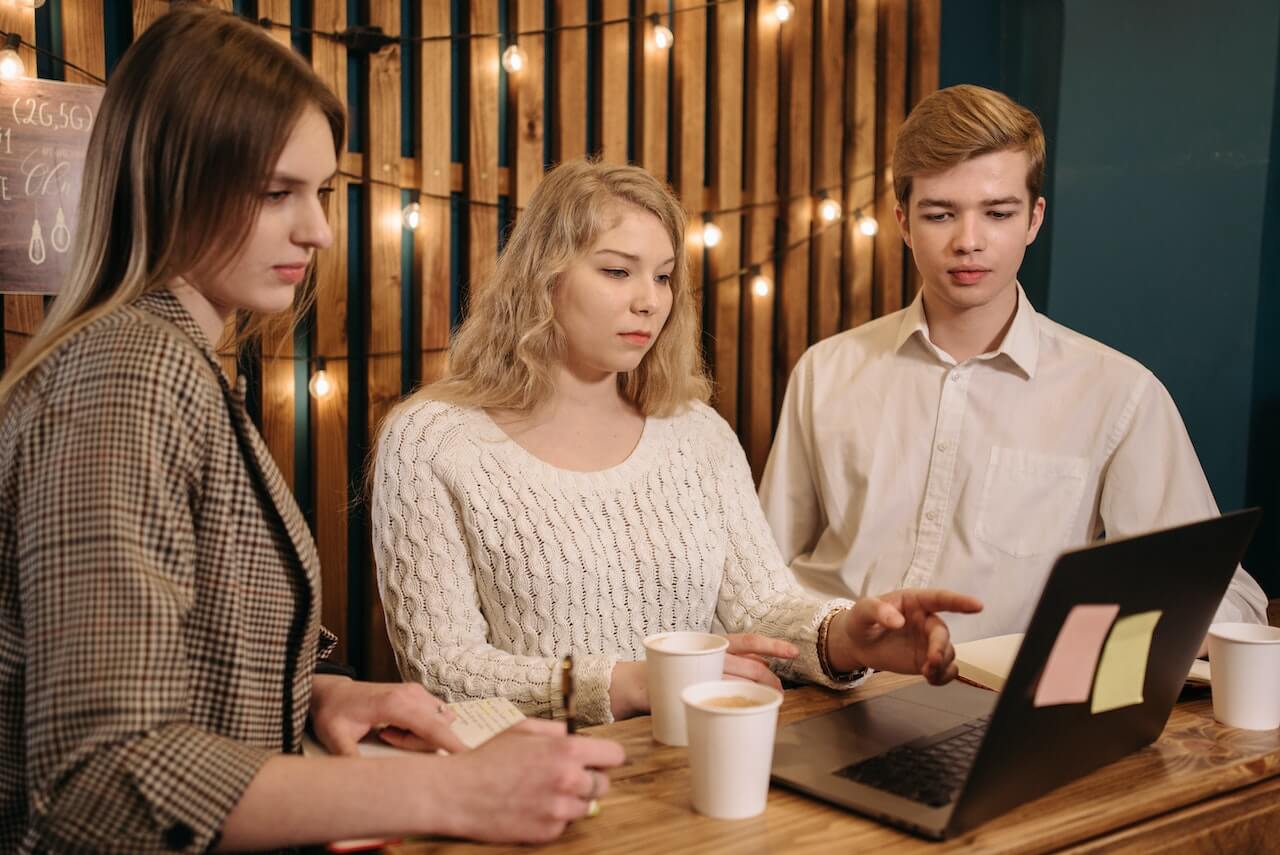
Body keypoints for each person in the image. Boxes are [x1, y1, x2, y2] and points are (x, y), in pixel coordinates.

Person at [0, 7, 621, 852]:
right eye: (275, 193)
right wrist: (446, 790)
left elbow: (184, 663)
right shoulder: (130, 373)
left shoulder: (170, 357)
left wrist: (317, 696)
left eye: (320, 191)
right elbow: (103, 774)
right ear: (169, 178)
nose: (318, 229)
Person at [371, 158, 983, 728]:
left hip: (692, 763)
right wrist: (627, 684)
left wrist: (844, 636)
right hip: (528, 787)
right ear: (542, 277)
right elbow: (443, 669)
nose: (650, 300)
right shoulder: (433, 439)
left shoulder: (696, 432)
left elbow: (763, 607)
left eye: (663, 277)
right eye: (617, 271)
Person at [758, 84, 1268, 644]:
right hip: (830, 685)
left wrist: (1105, 646)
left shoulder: (1118, 393)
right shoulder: (825, 372)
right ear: (903, 223)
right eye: (940, 214)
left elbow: (1228, 600)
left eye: (998, 213)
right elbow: (762, 578)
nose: (968, 241)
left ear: (1033, 219)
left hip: (996, 709)